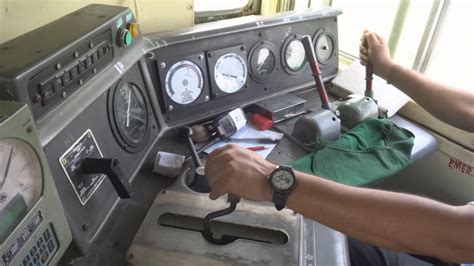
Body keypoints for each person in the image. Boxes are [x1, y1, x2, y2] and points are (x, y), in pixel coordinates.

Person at [204, 30, 474, 265]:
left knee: (316, 241)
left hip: (455, 242)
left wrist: (275, 182)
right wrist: (389, 69)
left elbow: (454, 235)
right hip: (454, 243)